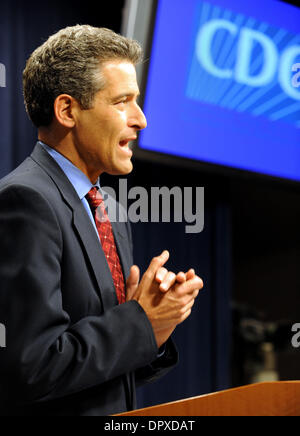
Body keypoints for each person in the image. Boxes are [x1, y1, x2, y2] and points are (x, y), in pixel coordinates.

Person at [0, 25, 203, 416]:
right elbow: (29, 369)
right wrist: (138, 321)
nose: (141, 120)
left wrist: (155, 329)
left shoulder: (106, 206)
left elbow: (99, 373)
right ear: (67, 111)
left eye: (137, 102)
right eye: (122, 101)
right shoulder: (25, 202)